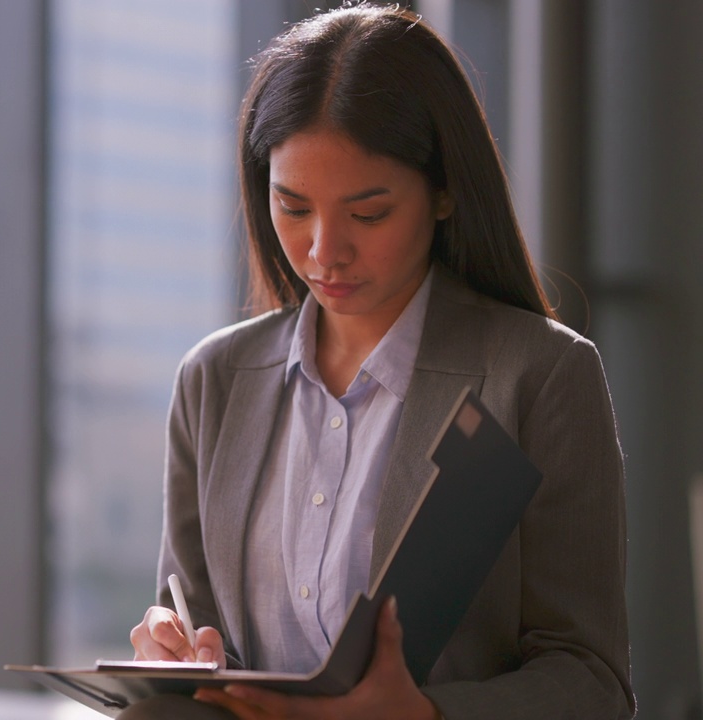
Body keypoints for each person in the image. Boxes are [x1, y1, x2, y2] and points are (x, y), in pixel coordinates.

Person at [122, 4, 634, 719]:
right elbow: (198, 631)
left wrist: (423, 715)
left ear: (445, 192)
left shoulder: (539, 377)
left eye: (368, 213)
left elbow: (592, 682)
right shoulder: (214, 380)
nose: (324, 251)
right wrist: (174, 654)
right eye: (292, 206)